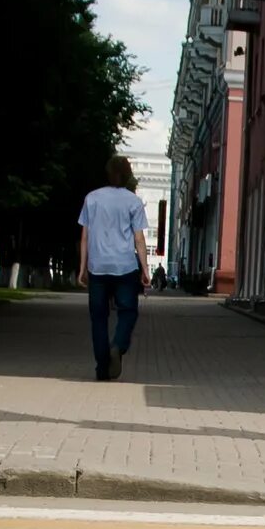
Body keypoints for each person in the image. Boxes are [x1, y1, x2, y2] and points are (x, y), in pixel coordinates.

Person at [77, 153, 150, 381]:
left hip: (97, 267)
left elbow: (85, 237)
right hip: (125, 267)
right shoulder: (133, 202)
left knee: (98, 317)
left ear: (107, 173)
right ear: (128, 176)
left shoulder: (92, 198)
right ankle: (118, 345)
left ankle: (102, 368)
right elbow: (139, 239)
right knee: (128, 311)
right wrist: (145, 269)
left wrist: (82, 268)